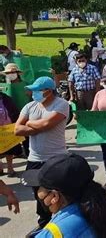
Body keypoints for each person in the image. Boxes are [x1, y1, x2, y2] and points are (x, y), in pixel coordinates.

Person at [21, 153, 106, 237]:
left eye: (38, 187)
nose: (37, 192)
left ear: (54, 196)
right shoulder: (102, 208)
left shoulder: (53, 232)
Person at [14, 76, 70, 231]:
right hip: (34, 159)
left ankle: (64, 223)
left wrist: (30, 124)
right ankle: (44, 224)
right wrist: (38, 126)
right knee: (39, 195)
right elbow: (17, 129)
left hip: (56, 158)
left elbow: (47, 124)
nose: (33, 93)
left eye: (37, 90)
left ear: (48, 91)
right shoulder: (29, 106)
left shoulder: (62, 105)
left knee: (60, 194)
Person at [0, 90, 21, 177]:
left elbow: (14, 111)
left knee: (9, 148)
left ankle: (10, 168)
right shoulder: (6, 98)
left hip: (7, 128)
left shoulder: (5, 98)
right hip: (7, 127)